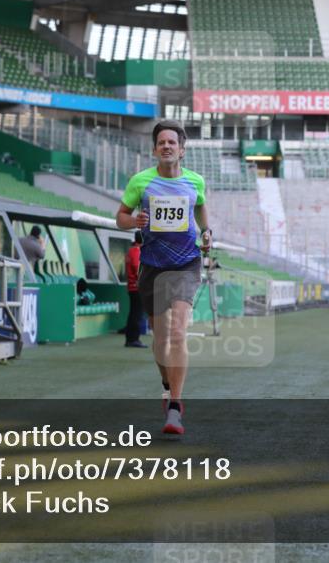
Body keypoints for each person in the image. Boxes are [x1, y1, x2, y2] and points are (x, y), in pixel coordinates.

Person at [116, 120, 210, 436]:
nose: (167, 146)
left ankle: (175, 406)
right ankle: (167, 383)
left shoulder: (195, 181)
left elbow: (201, 212)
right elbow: (119, 219)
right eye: (161, 142)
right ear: (155, 149)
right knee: (159, 340)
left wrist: (207, 234)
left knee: (177, 332)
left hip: (186, 263)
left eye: (172, 142)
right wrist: (134, 220)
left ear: (181, 150)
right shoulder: (141, 182)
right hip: (153, 265)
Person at [124, 232, 147, 348]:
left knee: (134, 313)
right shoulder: (136, 251)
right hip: (137, 287)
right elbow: (137, 268)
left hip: (132, 286)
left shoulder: (131, 250)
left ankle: (131, 338)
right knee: (137, 314)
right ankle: (133, 339)